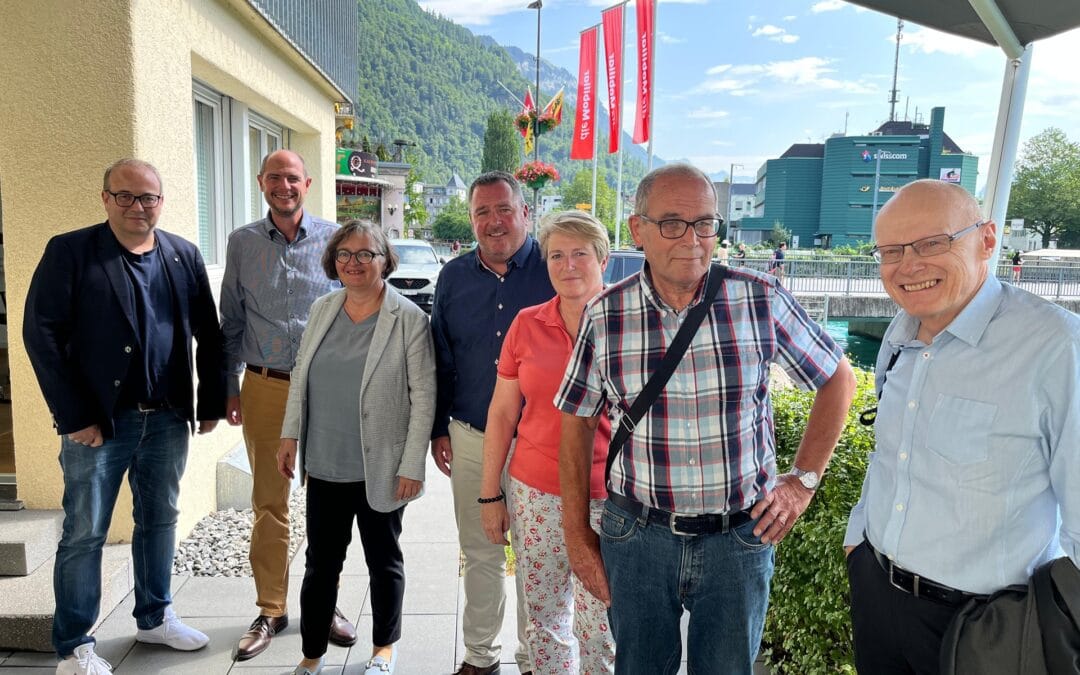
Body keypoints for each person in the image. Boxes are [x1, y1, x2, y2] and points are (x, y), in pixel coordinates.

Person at [556, 163, 856, 675]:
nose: (692, 240)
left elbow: (838, 378)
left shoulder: (758, 298)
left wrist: (803, 482)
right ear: (638, 229)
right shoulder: (606, 314)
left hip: (739, 539)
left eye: (705, 224)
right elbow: (578, 422)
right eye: (673, 223)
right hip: (637, 537)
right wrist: (577, 536)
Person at [844, 179, 1080, 674]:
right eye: (891, 250)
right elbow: (892, 451)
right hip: (878, 595)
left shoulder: (1056, 347)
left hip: (988, 625)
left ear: (987, 240)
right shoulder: (901, 330)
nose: (909, 265)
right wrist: (858, 539)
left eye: (933, 243)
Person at [23, 159, 226, 675]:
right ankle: (73, 646)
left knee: (159, 520)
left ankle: (155, 617)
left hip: (166, 419)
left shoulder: (182, 255)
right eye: (127, 197)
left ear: (162, 201)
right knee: (85, 531)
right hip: (99, 424)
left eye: (149, 198)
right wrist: (73, 416)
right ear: (106, 198)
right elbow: (40, 334)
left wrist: (211, 403)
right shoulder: (71, 251)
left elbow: (210, 332)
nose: (139, 207)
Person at [277, 221, 436, 675]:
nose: (354, 262)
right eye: (344, 254)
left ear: (385, 260)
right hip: (325, 461)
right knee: (320, 566)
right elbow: (300, 378)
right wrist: (290, 435)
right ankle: (311, 655)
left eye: (366, 254)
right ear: (333, 261)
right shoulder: (323, 308)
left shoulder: (408, 319)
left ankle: (384, 648)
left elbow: (423, 396)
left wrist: (413, 464)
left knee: (383, 562)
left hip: (382, 466)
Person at [220, 149, 356, 660]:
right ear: (261, 182)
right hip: (266, 385)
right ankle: (271, 608)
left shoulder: (337, 240)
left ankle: (326, 602)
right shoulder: (242, 243)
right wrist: (228, 387)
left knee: (332, 501)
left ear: (308, 182)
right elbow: (230, 320)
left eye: (292, 177)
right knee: (269, 501)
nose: (284, 185)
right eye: (274, 176)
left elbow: (358, 305)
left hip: (327, 387)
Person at [479, 211, 616, 675]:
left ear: (603, 259)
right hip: (536, 492)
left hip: (611, 496)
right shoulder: (526, 324)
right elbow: (501, 414)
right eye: (556, 255)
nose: (568, 264)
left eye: (580, 254)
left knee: (604, 623)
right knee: (545, 618)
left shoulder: (630, 325)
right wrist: (490, 494)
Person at [431, 170, 555, 675]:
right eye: (482, 212)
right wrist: (438, 427)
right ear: (472, 219)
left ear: (525, 212)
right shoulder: (453, 277)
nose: (494, 221)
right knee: (479, 549)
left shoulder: (554, 269)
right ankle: (480, 657)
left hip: (538, 442)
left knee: (534, 554)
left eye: (504, 209)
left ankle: (534, 658)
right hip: (471, 435)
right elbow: (441, 357)